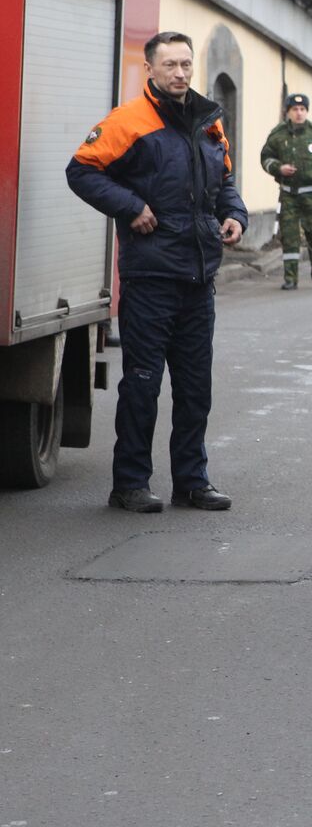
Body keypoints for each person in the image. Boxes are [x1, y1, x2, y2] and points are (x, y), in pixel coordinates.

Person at [67, 31, 248, 513]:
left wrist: (235, 215)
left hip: (198, 277)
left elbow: (224, 182)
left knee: (195, 388)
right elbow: (81, 170)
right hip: (150, 278)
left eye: (186, 63)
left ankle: (192, 481)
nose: (180, 73)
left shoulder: (209, 121)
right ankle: (129, 483)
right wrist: (130, 207)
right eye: (169, 65)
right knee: (143, 383)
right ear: (149, 69)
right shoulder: (129, 121)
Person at [259, 93, 312, 289]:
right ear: (288, 112)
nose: (299, 113)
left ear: (307, 111)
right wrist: (278, 168)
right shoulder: (278, 135)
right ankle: (290, 278)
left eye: (302, 109)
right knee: (289, 235)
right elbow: (266, 157)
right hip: (288, 194)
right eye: (295, 110)